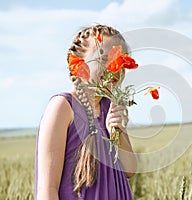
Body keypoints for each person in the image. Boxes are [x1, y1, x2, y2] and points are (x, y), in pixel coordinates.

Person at [34, 24, 137, 200]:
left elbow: (130, 169)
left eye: (121, 60)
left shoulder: (110, 107)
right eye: (104, 58)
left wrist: (117, 133)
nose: (114, 67)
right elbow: (47, 189)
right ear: (78, 63)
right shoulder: (62, 107)